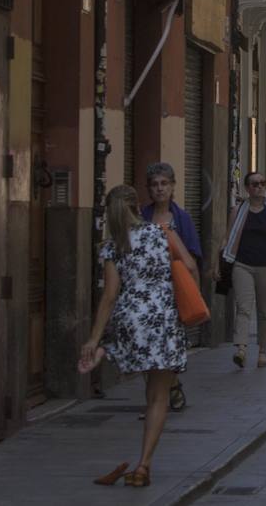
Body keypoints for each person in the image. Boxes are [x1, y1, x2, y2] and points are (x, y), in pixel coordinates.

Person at [79, 185, 196, 488]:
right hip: (163, 321)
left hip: (130, 320)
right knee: (159, 397)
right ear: (136, 205)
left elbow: (109, 296)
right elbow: (191, 265)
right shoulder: (162, 232)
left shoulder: (112, 244)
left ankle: (108, 350)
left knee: (143, 377)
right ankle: (143, 466)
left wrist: (93, 339)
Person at [139, 162, 201, 413]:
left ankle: (168, 388)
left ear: (173, 186)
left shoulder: (181, 219)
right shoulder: (142, 217)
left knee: (168, 346)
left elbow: (193, 257)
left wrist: (195, 294)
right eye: (154, 185)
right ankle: (159, 397)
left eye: (164, 183)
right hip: (145, 293)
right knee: (145, 346)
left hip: (173, 291)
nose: (159, 189)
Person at [219, 171, 266, 369]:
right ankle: (241, 349)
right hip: (243, 265)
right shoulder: (238, 210)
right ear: (247, 188)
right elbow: (227, 237)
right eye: (255, 184)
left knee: (265, 311)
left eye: (262, 183)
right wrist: (219, 261)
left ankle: (263, 351)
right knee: (243, 307)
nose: (259, 187)